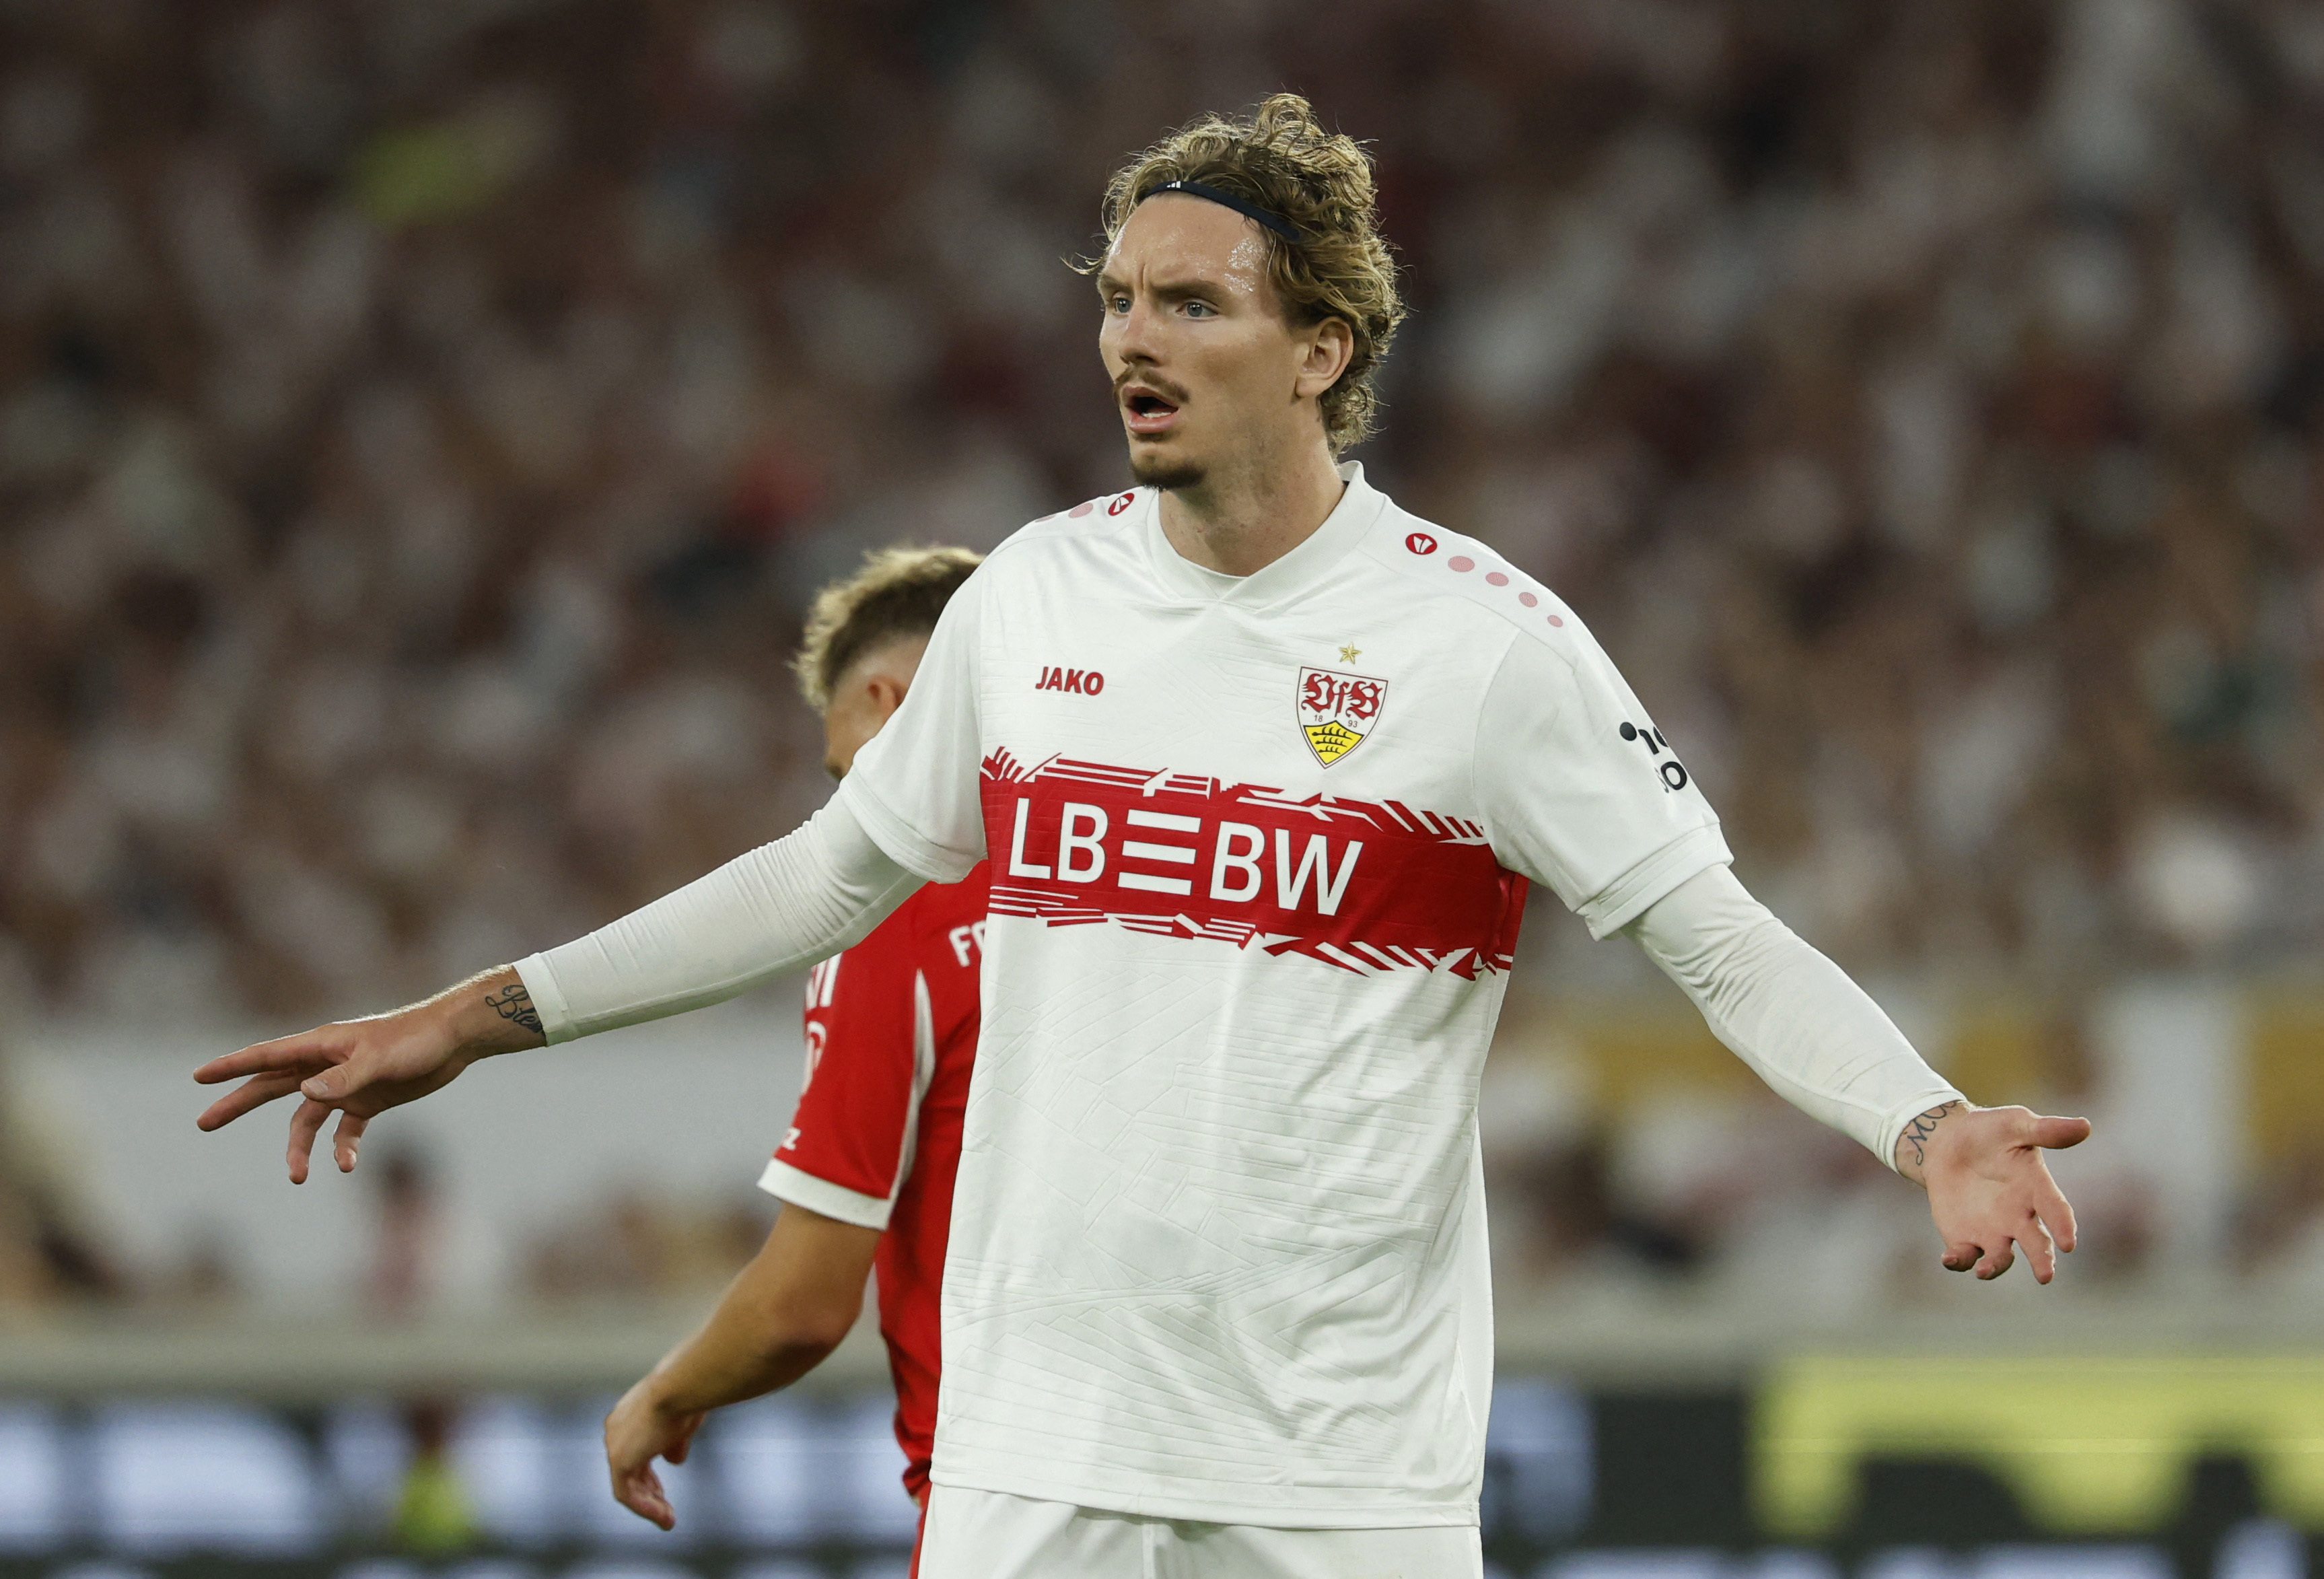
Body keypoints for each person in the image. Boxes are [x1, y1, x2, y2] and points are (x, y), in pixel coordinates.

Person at [197, 96, 2089, 1578]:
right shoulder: (1030, 600)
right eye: (1112, 297)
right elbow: (821, 874)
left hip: (1337, 1462)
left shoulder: (1479, 646)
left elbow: (1710, 932)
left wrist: (1921, 1122)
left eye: (1189, 301)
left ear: (1322, 346)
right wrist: (487, 1009)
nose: (1131, 337)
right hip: (1040, 1444)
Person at [595, 547, 987, 1553]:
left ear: (889, 699)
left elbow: (803, 1308)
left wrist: (663, 1393)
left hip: (1014, 1497)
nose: (841, 820)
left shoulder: (892, 912)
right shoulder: (1165, 884)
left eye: (845, 772)